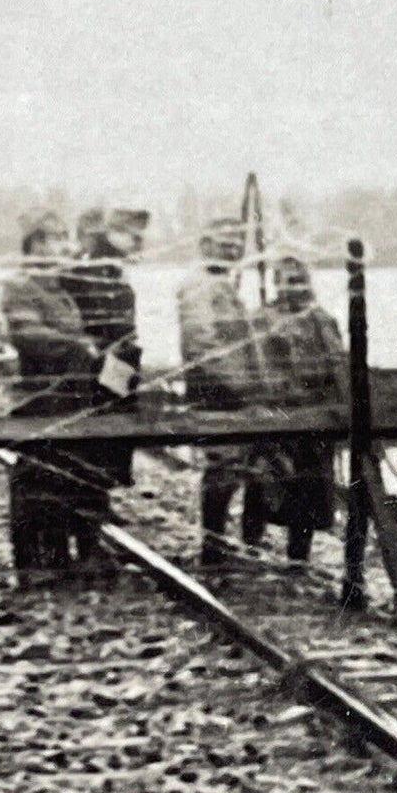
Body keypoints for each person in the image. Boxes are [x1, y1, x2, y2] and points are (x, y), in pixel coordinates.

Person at [1, 211, 103, 583]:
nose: (63, 246)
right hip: (39, 395)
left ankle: (62, 555)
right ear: (35, 245)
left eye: (63, 238)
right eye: (54, 239)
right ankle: (33, 563)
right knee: (36, 476)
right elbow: (27, 335)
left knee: (68, 471)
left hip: (69, 396)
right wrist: (78, 346)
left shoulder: (61, 291)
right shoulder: (21, 286)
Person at [242, 256, 345, 563]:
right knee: (262, 481)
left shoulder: (323, 319)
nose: (295, 288)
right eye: (288, 280)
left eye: (301, 281)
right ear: (276, 283)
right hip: (275, 411)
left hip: (314, 413)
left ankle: (299, 556)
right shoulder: (260, 318)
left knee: (309, 487)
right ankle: (250, 544)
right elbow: (251, 365)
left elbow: (338, 364)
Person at [60, 207, 149, 564]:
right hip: (95, 368)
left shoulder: (114, 268)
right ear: (111, 232)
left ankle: (99, 506)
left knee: (112, 440)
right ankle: (88, 523)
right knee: (95, 442)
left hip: (118, 364)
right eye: (131, 235)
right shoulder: (87, 268)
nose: (137, 242)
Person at [176, 216, 252, 565]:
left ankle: (219, 543)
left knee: (234, 467)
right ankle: (213, 547)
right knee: (223, 466)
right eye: (224, 244)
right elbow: (200, 344)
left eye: (237, 244)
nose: (232, 250)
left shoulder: (219, 283)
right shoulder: (199, 284)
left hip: (228, 386)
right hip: (216, 388)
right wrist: (240, 383)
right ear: (205, 245)